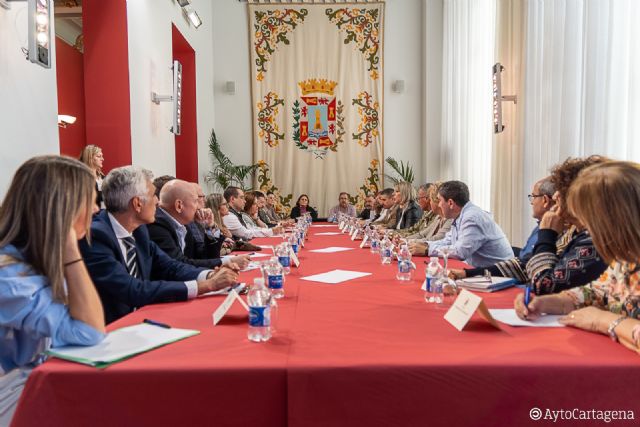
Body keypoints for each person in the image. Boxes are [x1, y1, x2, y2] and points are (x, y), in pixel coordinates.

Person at [0, 156, 106, 424]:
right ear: (64, 209)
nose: (96, 209)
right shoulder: (9, 275)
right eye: (90, 201)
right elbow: (89, 330)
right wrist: (71, 250)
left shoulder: (32, 262)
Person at [79, 166, 239, 324]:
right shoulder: (96, 236)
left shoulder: (139, 231)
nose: (157, 201)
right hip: (112, 329)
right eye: (152, 195)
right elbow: (132, 289)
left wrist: (210, 275)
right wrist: (205, 285)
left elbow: (171, 266)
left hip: (144, 319)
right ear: (137, 203)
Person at [515, 161, 640, 354]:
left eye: (588, 219)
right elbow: (598, 292)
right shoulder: (626, 257)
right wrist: (553, 302)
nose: (583, 229)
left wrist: (602, 321)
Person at [448, 176, 556, 281]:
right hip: (509, 279)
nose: (531, 202)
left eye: (533, 196)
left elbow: (536, 276)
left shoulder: (553, 233)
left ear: (545, 200)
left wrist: (469, 273)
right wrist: (467, 273)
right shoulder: (539, 227)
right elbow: (520, 265)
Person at [147, 179, 249, 269]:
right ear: (179, 205)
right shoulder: (158, 225)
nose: (200, 206)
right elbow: (179, 264)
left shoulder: (183, 224)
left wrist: (210, 227)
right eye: (196, 201)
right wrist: (227, 262)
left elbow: (206, 256)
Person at [418, 180, 513, 267]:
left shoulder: (472, 218)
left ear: (450, 203)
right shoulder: (460, 216)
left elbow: (460, 252)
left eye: (440, 201)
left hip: (500, 274)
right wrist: (424, 245)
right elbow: (448, 241)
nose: (439, 205)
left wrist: (427, 250)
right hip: (483, 271)